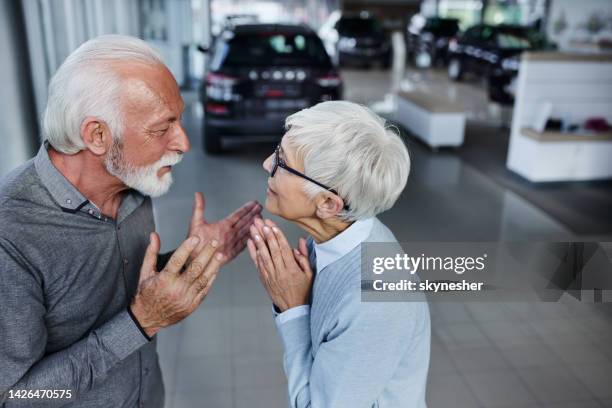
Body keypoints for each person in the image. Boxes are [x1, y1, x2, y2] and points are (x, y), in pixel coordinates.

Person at [0, 35, 261, 407]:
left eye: (180, 120)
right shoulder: (11, 234)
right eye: (162, 128)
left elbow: (127, 284)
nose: (184, 142)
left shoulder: (133, 187)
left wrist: (184, 261)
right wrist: (141, 322)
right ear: (97, 135)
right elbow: (17, 398)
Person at [246, 101, 430, 407]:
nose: (267, 164)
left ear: (329, 204)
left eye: (282, 161)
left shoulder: (375, 302)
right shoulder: (337, 233)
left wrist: (292, 310)